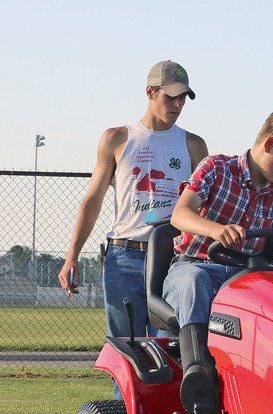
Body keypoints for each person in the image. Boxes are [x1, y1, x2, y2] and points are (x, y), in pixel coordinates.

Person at [162, 108, 273, 414]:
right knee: (195, 282)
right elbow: (180, 215)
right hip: (199, 263)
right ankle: (198, 372)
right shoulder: (217, 168)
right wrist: (217, 230)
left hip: (250, 277)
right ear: (270, 143)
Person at [58, 60, 208, 338]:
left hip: (173, 259)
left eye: (183, 99)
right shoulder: (117, 138)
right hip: (124, 256)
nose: (177, 105)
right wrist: (72, 256)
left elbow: (207, 208)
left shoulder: (193, 145)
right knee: (128, 353)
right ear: (150, 92)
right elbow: (93, 200)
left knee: (171, 351)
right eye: (170, 97)